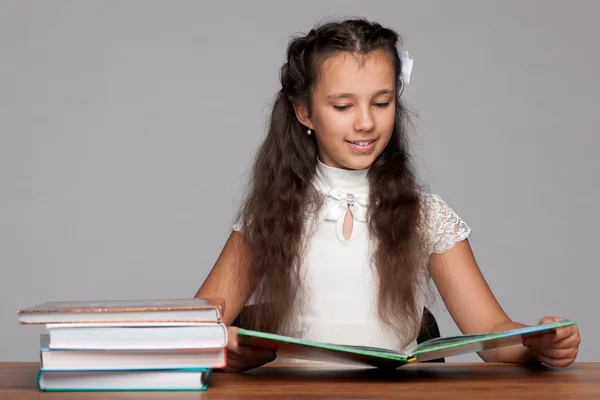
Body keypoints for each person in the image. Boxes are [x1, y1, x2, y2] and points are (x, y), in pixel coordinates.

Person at [195, 18, 580, 372]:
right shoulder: (271, 213)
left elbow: (492, 334)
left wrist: (538, 342)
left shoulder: (425, 215)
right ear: (304, 113)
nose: (366, 122)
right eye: (343, 106)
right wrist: (224, 346)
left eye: (381, 103)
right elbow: (196, 325)